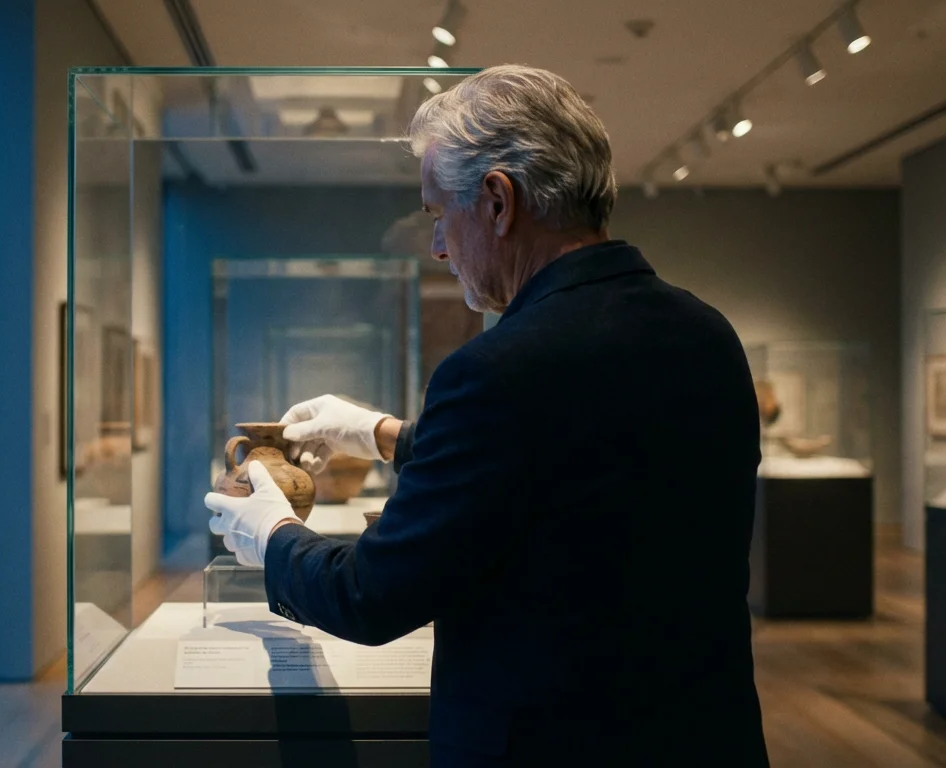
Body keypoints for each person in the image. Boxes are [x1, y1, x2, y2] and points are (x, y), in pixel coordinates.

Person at [204, 64, 770, 767]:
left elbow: (370, 595)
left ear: (499, 202)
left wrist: (273, 535)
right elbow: (580, 467)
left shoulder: (498, 371)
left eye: (439, 214)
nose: (439, 246)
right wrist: (381, 433)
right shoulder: (708, 334)